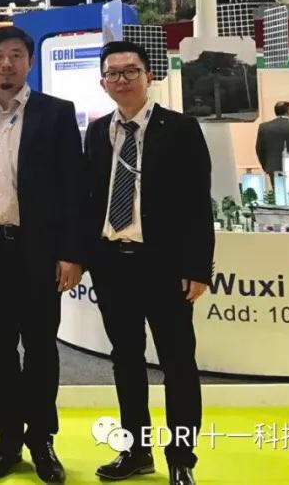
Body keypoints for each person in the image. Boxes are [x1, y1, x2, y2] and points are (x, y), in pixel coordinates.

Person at [0, 26, 84, 483]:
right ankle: (7, 437)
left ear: (29, 61)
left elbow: (72, 186)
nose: (5, 64)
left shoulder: (55, 112)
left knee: (42, 348)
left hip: (39, 251)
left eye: (15, 55)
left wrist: (71, 253)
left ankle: (42, 438)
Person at [85, 41, 214, 485]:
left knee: (178, 363)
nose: (121, 79)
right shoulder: (97, 131)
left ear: (149, 76)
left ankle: (182, 458)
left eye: (130, 71)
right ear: (103, 82)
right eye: (113, 73)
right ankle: (136, 451)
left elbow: (197, 202)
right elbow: (90, 197)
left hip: (165, 267)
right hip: (112, 264)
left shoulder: (180, 128)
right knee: (125, 361)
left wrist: (198, 267)